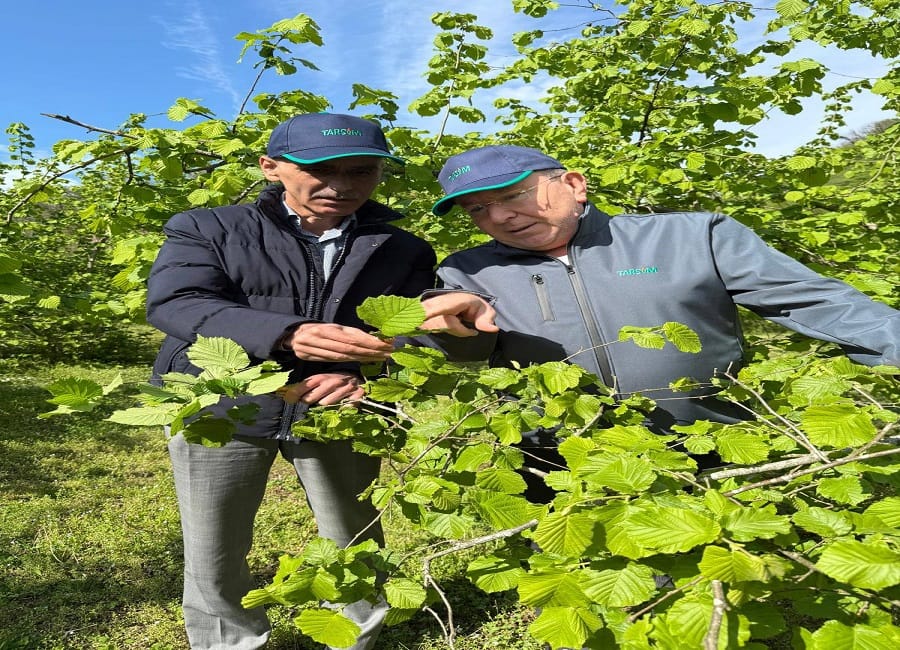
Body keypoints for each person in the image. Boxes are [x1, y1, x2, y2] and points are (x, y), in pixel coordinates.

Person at [146, 113, 495, 650]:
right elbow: (177, 302)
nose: (343, 185)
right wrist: (287, 334)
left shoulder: (403, 249)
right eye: (322, 169)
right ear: (271, 168)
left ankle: (357, 635)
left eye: (363, 171)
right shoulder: (207, 227)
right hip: (226, 406)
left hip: (339, 410)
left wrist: (364, 374)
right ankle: (227, 642)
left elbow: (415, 331)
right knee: (214, 544)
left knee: (352, 532)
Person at [427, 144, 900, 501]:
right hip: (562, 461)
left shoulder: (693, 236)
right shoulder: (464, 271)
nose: (502, 216)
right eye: (478, 209)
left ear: (573, 184)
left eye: (515, 194)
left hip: (710, 444)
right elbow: (461, 352)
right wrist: (458, 333)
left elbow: (820, 302)